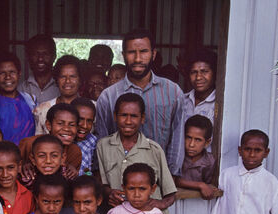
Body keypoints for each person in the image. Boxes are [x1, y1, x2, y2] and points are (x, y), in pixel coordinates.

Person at [95, 28, 184, 176]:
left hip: (159, 179)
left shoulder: (173, 92)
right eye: (131, 52)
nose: (137, 59)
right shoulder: (108, 96)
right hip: (119, 181)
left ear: (153, 54)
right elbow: (102, 142)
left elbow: (177, 138)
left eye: (143, 51)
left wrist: (171, 177)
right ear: (123, 55)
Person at [20, 103, 82, 182]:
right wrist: (22, 167)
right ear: (48, 125)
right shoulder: (29, 144)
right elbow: (12, 166)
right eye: (60, 123)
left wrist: (70, 171)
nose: (66, 129)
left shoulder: (74, 151)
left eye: (72, 125)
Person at [34, 55, 83, 135]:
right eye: (63, 76)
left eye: (73, 76)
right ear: (56, 79)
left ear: (80, 79)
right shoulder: (43, 110)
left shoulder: (92, 108)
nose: (67, 81)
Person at [0, 52, 36, 145]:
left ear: (19, 74)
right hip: (0, 156)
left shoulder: (30, 100)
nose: (8, 77)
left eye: (12, 72)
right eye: (2, 73)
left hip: (27, 156)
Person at [174, 115, 217, 199]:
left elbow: (208, 185)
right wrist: (200, 185)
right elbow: (174, 180)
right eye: (188, 138)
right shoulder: (177, 156)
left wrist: (206, 187)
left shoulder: (209, 161)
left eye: (198, 140)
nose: (191, 144)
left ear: (207, 142)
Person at [18, 34, 60, 104]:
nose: (40, 58)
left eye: (45, 54)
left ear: (54, 56)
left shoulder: (62, 88)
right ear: (28, 57)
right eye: (35, 54)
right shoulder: (21, 89)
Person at [182, 49, 217, 125]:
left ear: (215, 73)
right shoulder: (182, 101)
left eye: (204, 71)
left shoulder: (219, 103)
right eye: (194, 72)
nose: (198, 77)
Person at [71, 98, 97, 175]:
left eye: (89, 121)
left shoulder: (92, 141)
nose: (85, 126)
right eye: (80, 119)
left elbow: (89, 169)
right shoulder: (62, 140)